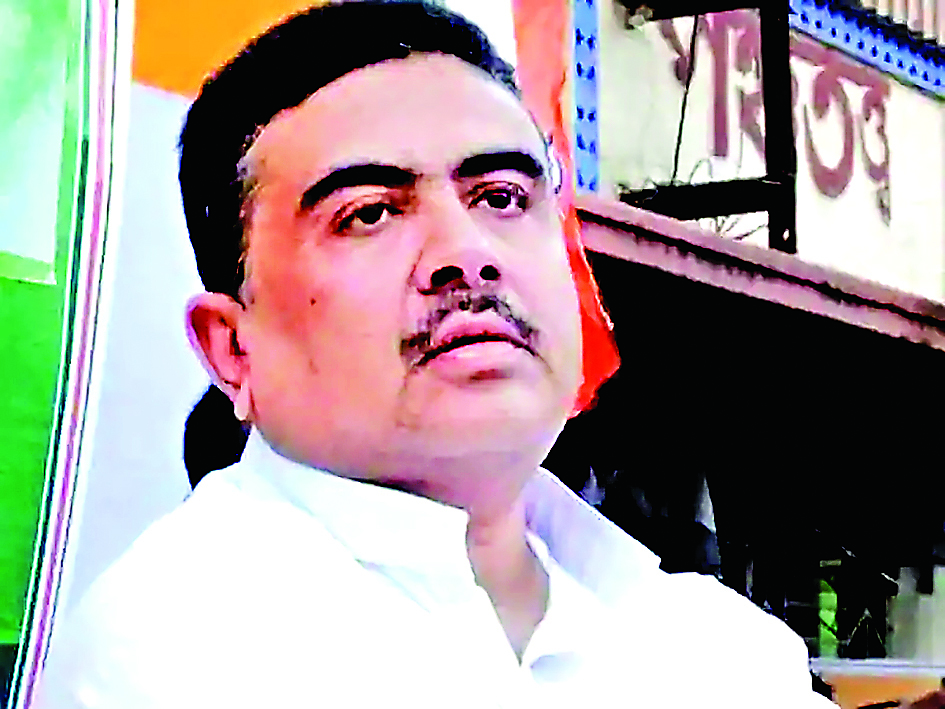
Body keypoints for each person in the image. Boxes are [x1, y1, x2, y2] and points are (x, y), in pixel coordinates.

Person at [37, 2, 838, 707]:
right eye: (369, 214)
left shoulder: (710, 642)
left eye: (502, 198)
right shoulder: (179, 647)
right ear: (232, 349)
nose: (467, 252)